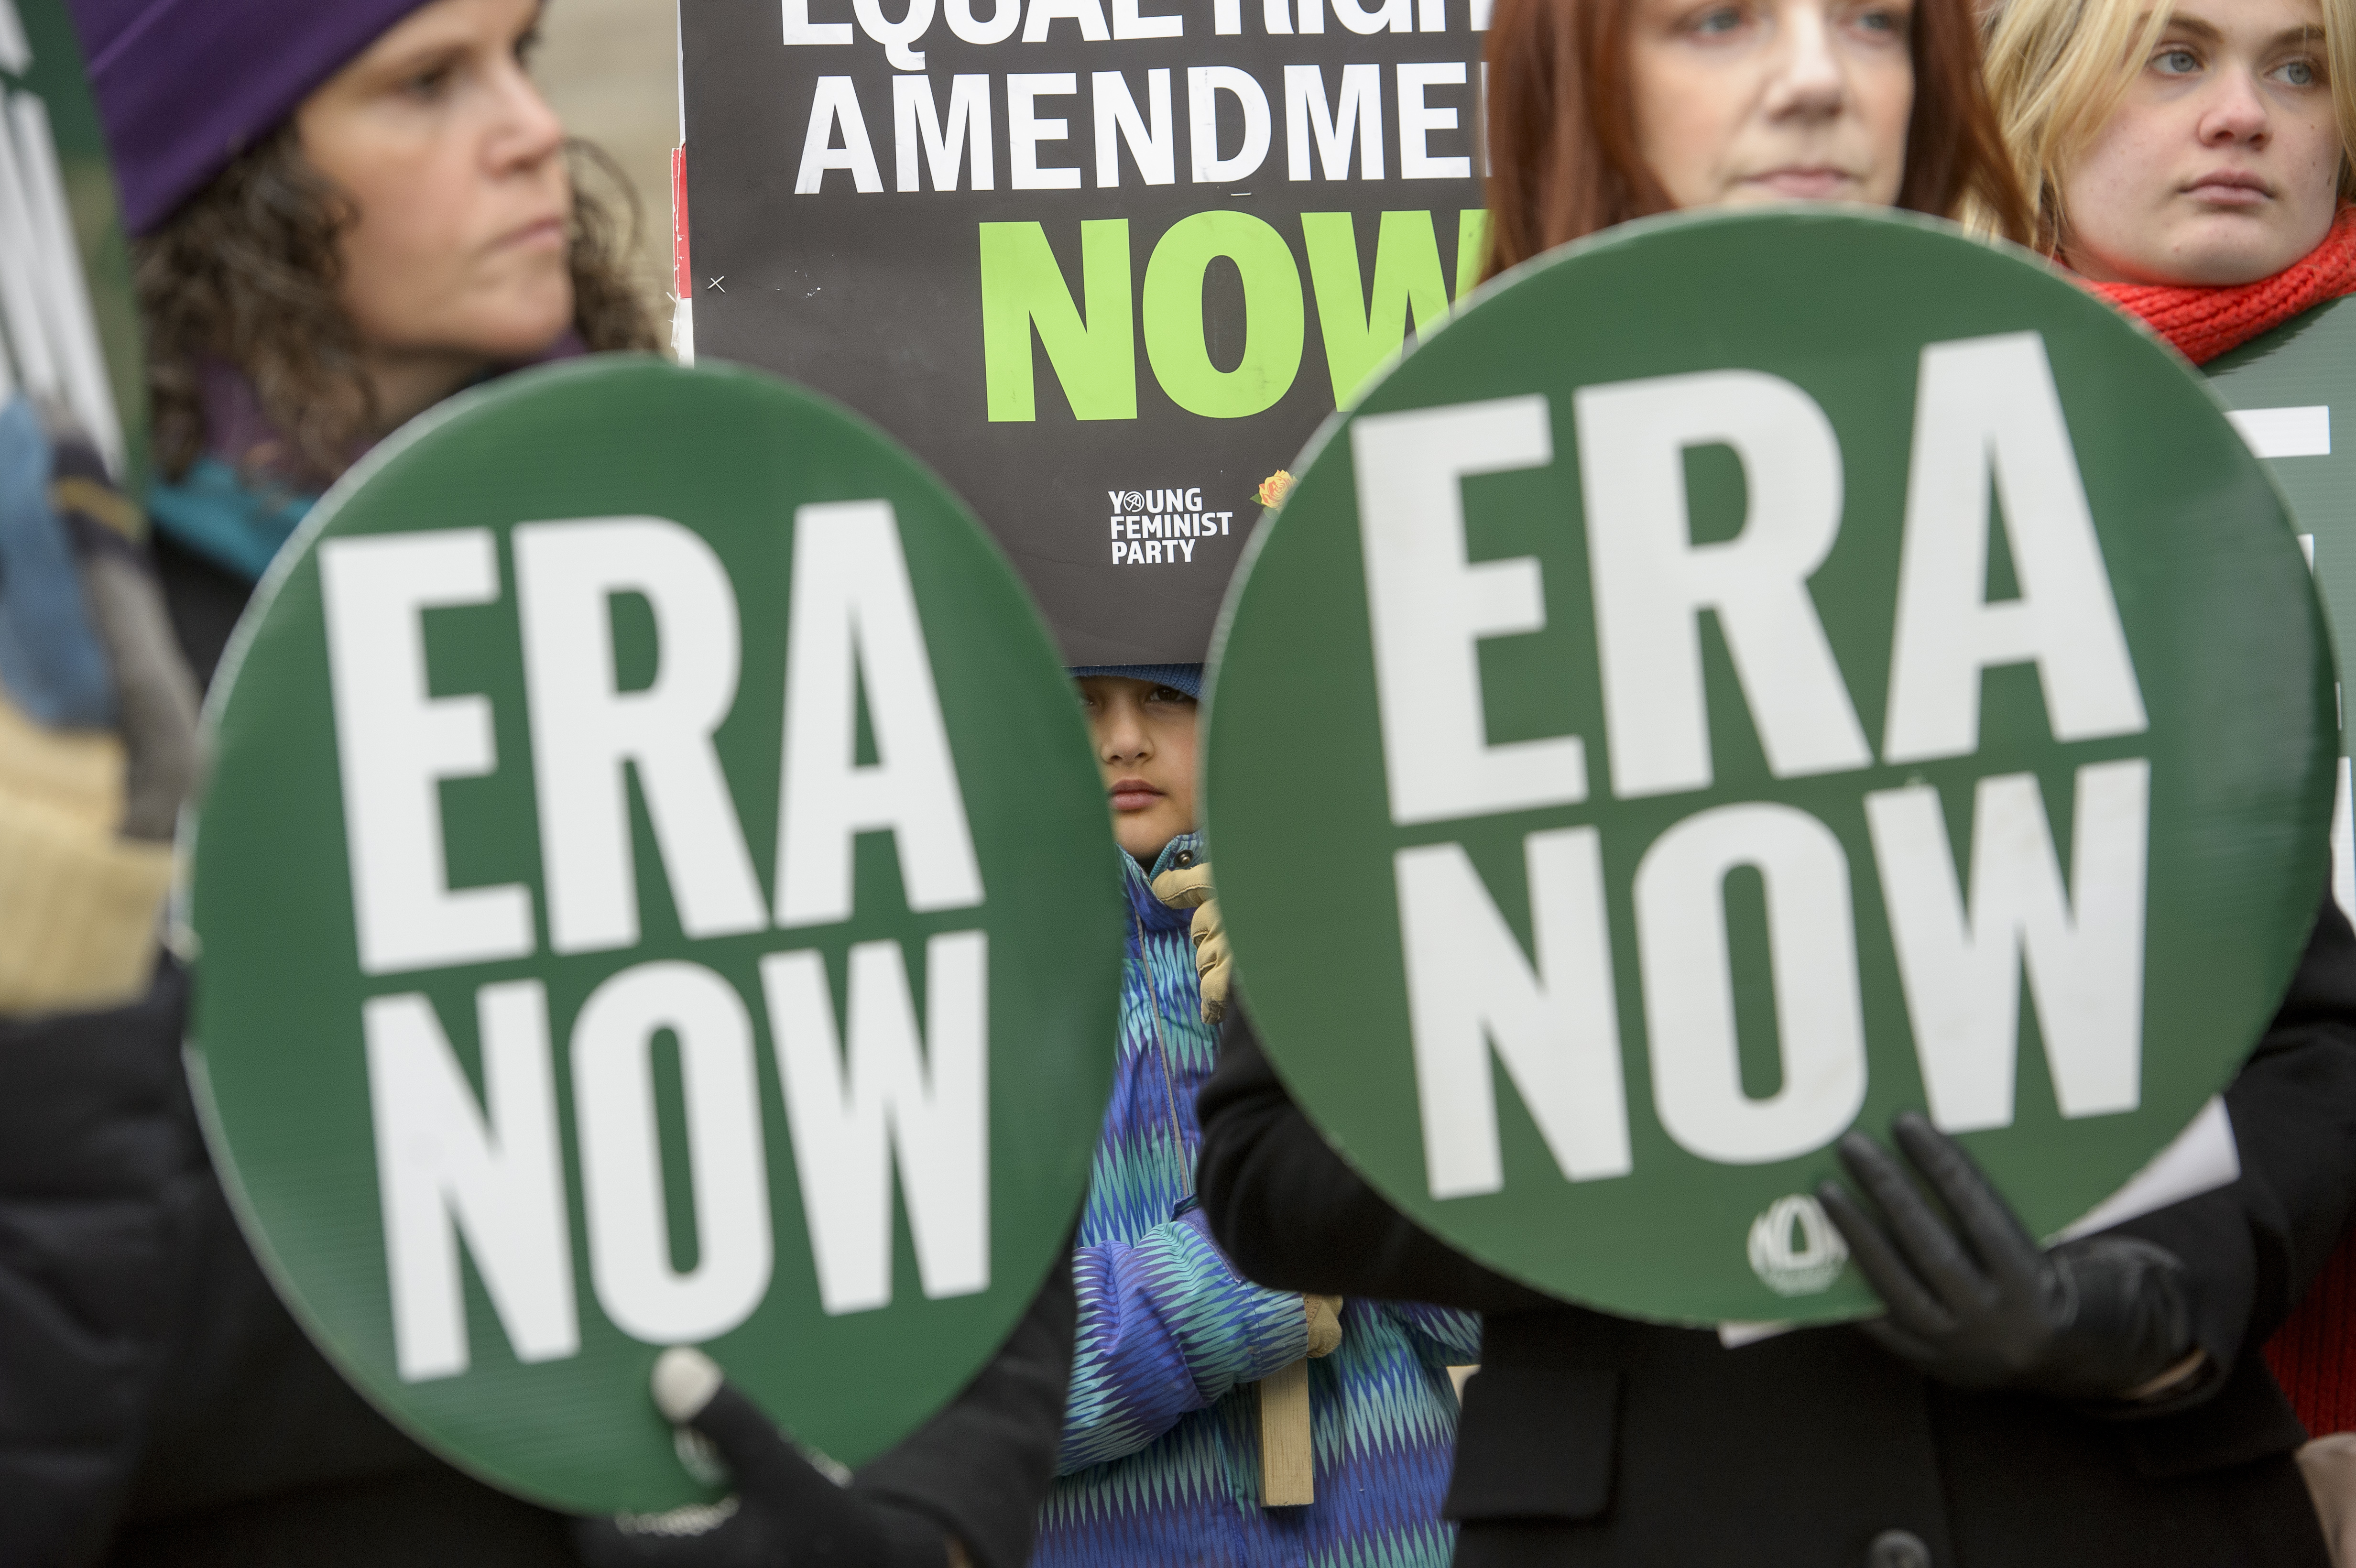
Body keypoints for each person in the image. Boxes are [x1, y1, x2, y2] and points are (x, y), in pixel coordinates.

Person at [1190, 0, 2356, 1563]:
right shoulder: (1411, 541)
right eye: (1715, 20)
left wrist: (2147, 1311)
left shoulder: (2088, 466)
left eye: (1873, 23)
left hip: (2114, 1503)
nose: (1812, 76)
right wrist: (1664, 1142)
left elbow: (2303, 1039)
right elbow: (1273, 1169)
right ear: (1574, 78)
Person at [11, 3, 1076, 1564]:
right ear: (218, 168)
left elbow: (955, 1099)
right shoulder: (79, 676)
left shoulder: (716, 566)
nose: (526, 128)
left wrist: (919, 1523)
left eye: (522, 54)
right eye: (426, 84)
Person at [1979, 0, 2356, 1540]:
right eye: (2178, 58)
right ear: (2038, 98)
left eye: (2300, 68)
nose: (2244, 116)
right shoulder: (1889, 415)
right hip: (2074, 1329)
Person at [1038, 664, 1481, 1567]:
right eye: (1083, 697)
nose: (1123, 738)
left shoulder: (1369, 929)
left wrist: (1334, 1025)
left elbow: (1488, 1316)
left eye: (1170, 694)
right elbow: (940, 1403)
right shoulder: (961, 996)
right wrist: (1233, 1282)